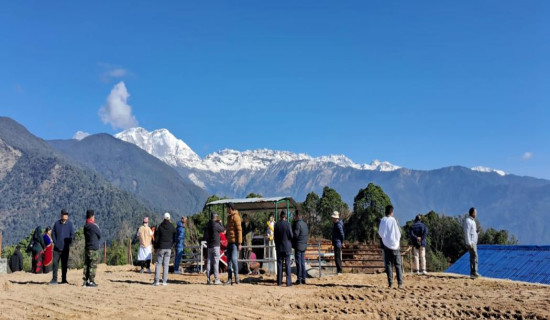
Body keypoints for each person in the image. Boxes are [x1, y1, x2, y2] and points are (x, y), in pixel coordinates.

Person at [379, 205, 403, 288]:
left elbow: (380, 233)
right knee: (398, 264)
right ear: (392, 212)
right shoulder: (394, 220)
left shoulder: (383, 220)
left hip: (386, 245)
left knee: (389, 264)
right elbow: (399, 232)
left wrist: (385, 239)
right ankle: (400, 283)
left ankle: (390, 283)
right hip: (395, 245)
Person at [50, 209, 75, 285]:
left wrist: (69, 242)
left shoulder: (70, 224)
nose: (66, 216)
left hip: (65, 248)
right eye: (64, 214)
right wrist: (55, 242)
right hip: (57, 249)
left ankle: (64, 279)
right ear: (61, 215)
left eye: (67, 214)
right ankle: (54, 279)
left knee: (64, 265)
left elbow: (72, 234)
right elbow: (53, 233)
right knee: (55, 264)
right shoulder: (57, 224)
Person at [153, 212, 176, 286]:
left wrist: (155, 247)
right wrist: (172, 244)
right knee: (166, 265)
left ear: (163, 218)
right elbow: (175, 234)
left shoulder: (160, 226)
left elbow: (156, 238)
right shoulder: (172, 226)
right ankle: (164, 281)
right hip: (168, 248)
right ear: (169, 218)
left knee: (159, 264)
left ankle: (156, 281)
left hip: (161, 247)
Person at [204, 213, 225, 285]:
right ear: (215, 217)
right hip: (216, 245)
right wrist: (220, 223)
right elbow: (223, 229)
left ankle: (208, 278)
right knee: (216, 262)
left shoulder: (208, 225)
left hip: (209, 245)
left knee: (209, 261)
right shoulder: (216, 225)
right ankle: (216, 279)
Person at [274, 210, 293, 287]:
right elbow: (291, 235)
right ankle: (288, 282)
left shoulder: (277, 225)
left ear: (280, 216)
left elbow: (275, 237)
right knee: (288, 264)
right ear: (285, 216)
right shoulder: (288, 225)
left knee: (279, 264)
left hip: (279, 247)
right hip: (287, 247)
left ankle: (279, 281)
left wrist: (276, 245)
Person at [225, 202, 242, 285]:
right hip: (229, 242)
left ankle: (237, 278)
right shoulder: (228, 218)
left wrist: (239, 243)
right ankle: (229, 279)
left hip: (235, 243)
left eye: (227, 208)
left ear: (230, 208)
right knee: (229, 261)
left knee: (234, 260)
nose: (227, 209)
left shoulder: (236, 218)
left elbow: (239, 231)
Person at [83, 210, 101, 287]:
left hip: (87, 247)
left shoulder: (85, 226)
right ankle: (91, 281)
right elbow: (99, 234)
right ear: (92, 217)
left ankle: (85, 281)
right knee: (92, 265)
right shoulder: (94, 226)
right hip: (93, 248)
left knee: (86, 264)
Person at [292, 211, 309, 285]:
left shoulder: (298, 224)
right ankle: (303, 278)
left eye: (295, 216)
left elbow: (295, 235)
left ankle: (299, 278)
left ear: (298, 216)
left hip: (298, 246)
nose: (295, 217)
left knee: (298, 262)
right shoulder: (305, 224)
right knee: (302, 262)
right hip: (304, 245)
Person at [464, 207, 481, 279]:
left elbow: (472, 232)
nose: (476, 214)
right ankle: (474, 271)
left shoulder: (473, 221)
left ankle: (472, 272)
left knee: (472, 257)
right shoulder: (468, 221)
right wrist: (469, 242)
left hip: (474, 241)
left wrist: (477, 232)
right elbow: (467, 232)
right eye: (475, 212)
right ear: (473, 213)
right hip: (471, 242)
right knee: (475, 256)